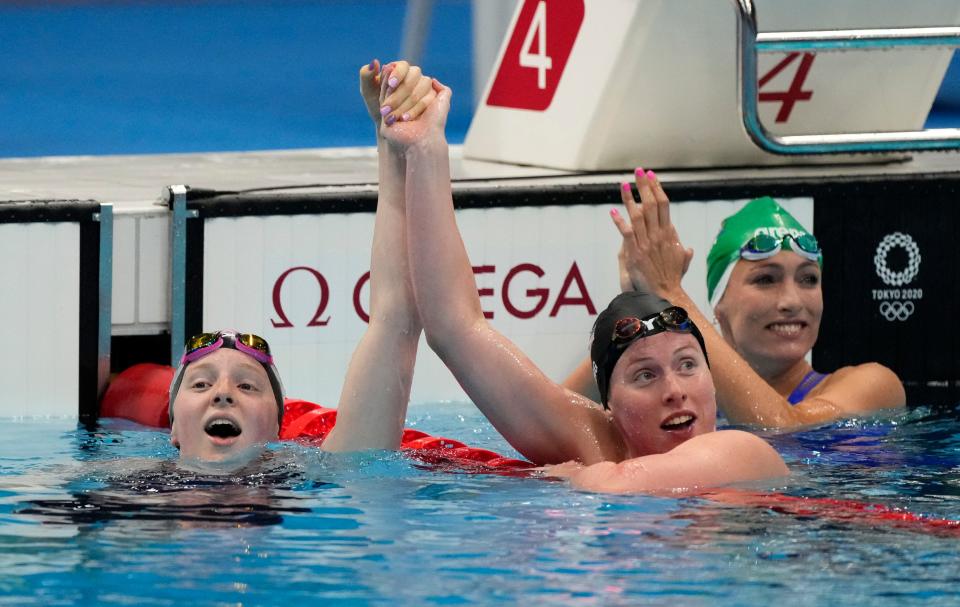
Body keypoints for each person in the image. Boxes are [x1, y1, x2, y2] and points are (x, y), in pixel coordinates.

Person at [389, 82, 787, 494]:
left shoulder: (740, 451)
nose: (675, 391)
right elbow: (455, 329)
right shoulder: (606, 446)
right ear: (610, 407)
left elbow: (613, 486)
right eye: (645, 375)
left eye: (688, 365)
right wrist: (426, 149)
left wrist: (576, 472)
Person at [167, 60, 441, 463]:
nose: (223, 392)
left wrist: (396, 146)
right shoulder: (120, 494)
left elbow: (397, 318)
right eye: (201, 384)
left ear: (279, 425)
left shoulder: (315, 482)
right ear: (172, 424)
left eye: (247, 386)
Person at [592, 172, 905, 430]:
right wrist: (639, 308)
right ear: (719, 303)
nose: (792, 301)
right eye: (766, 279)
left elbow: (784, 429)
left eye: (808, 279)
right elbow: (561, 430)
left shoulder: (873, 384)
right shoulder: (682, 400)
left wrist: (669, 292)